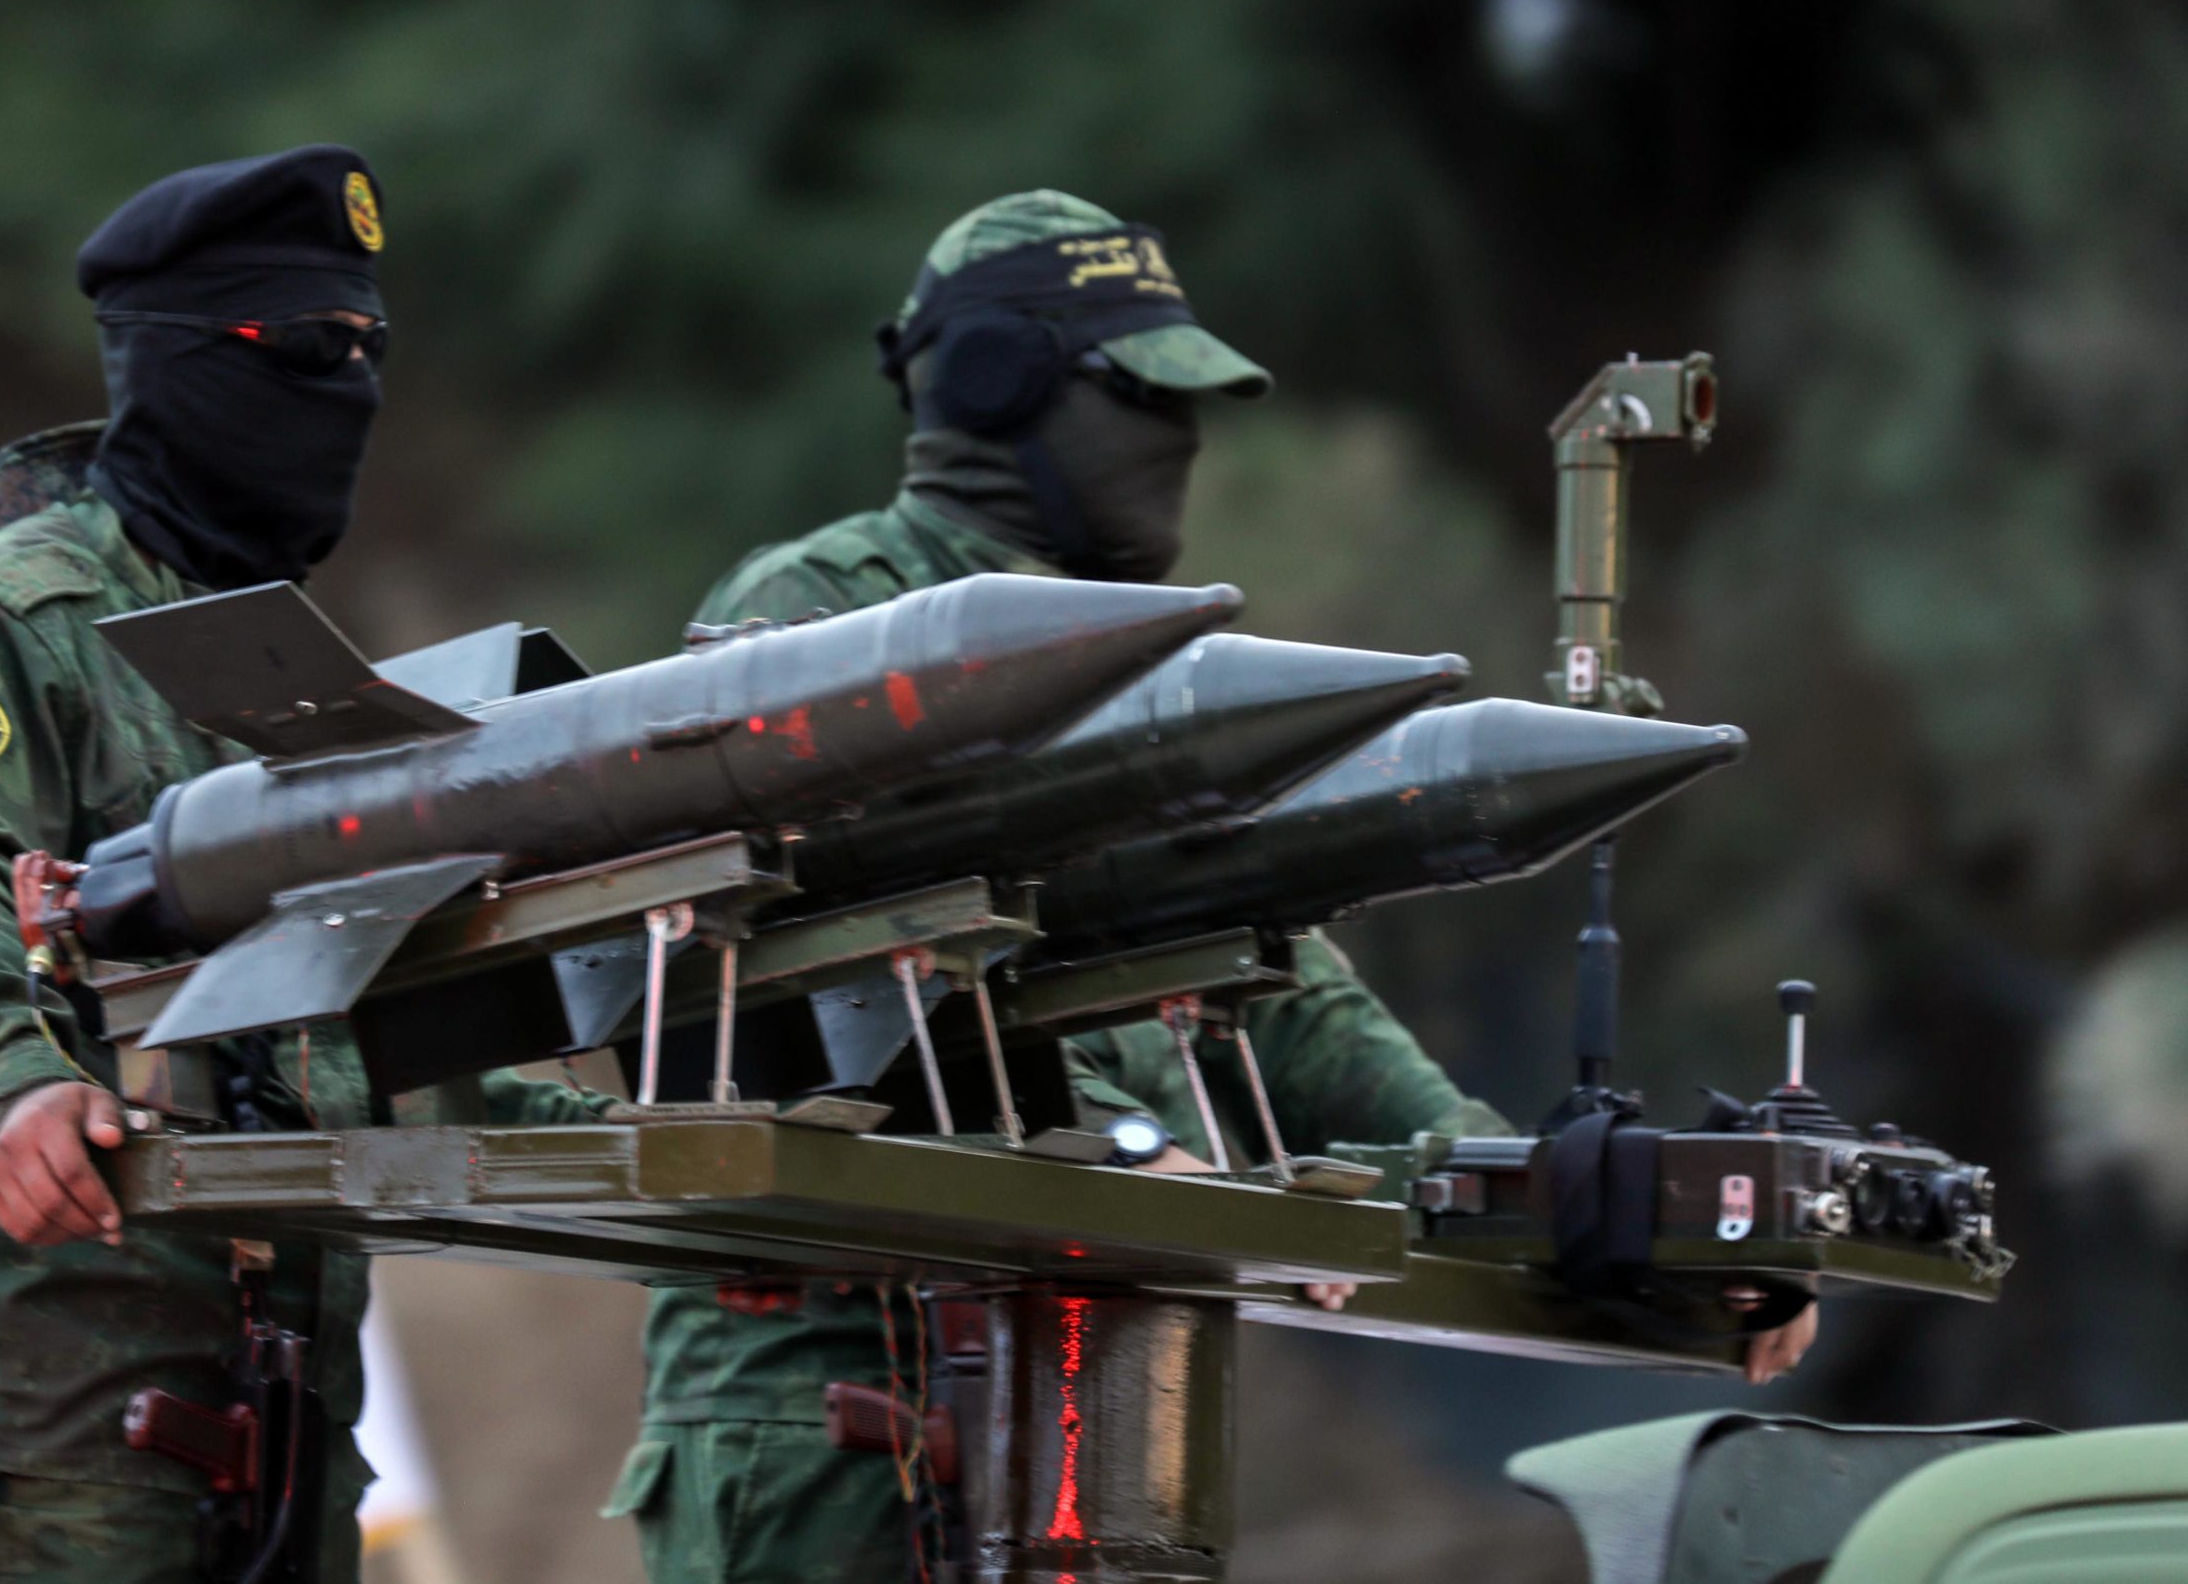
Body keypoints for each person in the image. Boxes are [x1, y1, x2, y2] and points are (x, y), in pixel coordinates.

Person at [599, 189, 1792, 1584]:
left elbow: (1285, 996)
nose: (1179, 441)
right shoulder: (827, 612)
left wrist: (1520, 1188)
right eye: (1142, 398)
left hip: (1090, 1383)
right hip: (838, 1411)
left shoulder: (1150, 671)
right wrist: (1115, 1146)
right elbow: (820, 966)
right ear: (995, 382)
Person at [0, 145, 401, 1583]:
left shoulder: (278, 669)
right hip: (58, 1420)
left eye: (371, 350)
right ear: (182, 360)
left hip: (281, 1412)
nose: (352, 386)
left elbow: (352, 1009)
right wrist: (18, 1082)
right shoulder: (2, 621)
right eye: (309, 348)